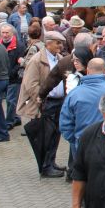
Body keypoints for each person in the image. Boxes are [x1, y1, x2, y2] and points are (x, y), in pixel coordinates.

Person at [59, 58, 105, 170]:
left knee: (85, 179)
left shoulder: (74, 94)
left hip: (83, 144)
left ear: (87, 70)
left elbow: (65, 124)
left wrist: (76, 140)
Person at [16, 30, 69, 177]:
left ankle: (51, 162)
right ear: (48, 43)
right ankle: (45, 166)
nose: (60, 46)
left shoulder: (59, 58)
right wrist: (40, 99)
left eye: (62, 43)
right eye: (58, 43)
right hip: (46, 103)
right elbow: (30, 84)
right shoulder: (37, 60)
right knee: (46, 135)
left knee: (56, 134)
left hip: (58, 101)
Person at [0, 23, 26, 130]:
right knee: (9, 100)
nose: (5, 35)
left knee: (10, 100)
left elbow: (20, 63)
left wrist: (11, 73)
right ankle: (16, 118)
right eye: (3, 33)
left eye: (7, 33)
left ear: (12, 33)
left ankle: (9, 122)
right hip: (2, 77)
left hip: (14, 78)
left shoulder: (19, 45)